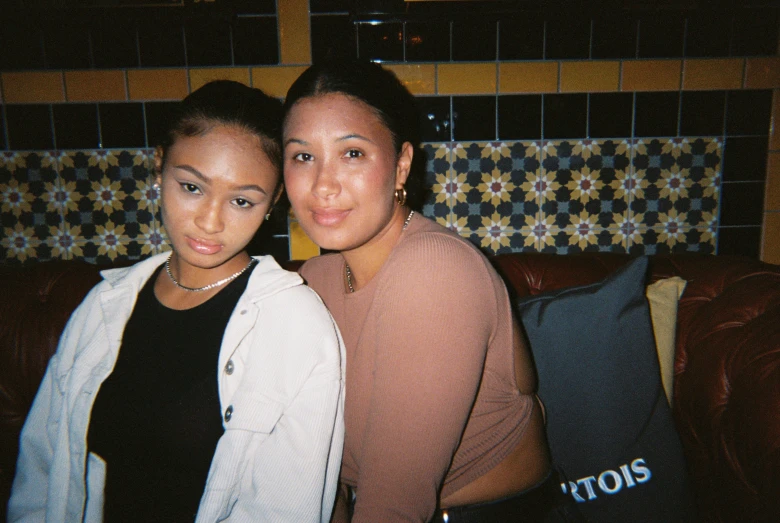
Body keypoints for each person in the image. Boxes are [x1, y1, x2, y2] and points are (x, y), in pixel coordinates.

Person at [9, 80, 345, 523]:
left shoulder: (297, 327)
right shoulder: (104, 306)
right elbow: (41, 471)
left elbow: (286, 508)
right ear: (159, 166)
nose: (210, 221)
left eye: (242, 200)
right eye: (191, 187)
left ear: (273, 202)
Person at [282, 60, 582, 523]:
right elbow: (319, 471)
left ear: (401, 165)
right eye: (303, 156)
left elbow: (396, 506)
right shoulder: (315, 281)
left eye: (352, 153)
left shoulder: (435, 269)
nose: (323, 184)